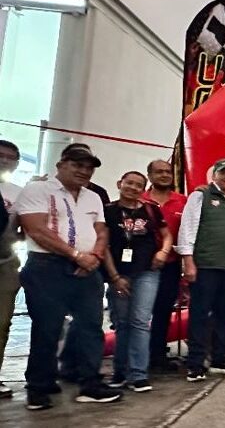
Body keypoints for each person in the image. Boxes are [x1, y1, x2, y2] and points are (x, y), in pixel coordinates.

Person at [16, 144, 123, 410]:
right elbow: (36, 229)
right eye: (77, 165)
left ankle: (90, 383)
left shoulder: (93, 196)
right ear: (61, 165)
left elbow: (101, 231)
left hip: (88, 268)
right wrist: (76, 255)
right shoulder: (37, 189)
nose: (84, 171)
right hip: (47, 267)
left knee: (91, 327)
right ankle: (39, 386)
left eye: (89, 167)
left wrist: (94, 257)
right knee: (47, 328)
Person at [177, 158, 225, 381]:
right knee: (200, 315)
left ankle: (219, 359)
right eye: (224, 173)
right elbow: (187, 229)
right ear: (215, 175)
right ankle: (196, 363)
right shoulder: (200, 196)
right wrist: (188, 260)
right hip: (206, 265)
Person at [101, 171, 172, 392]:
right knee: (122, 324)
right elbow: (103, 245)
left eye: (138, 185)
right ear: (119, 183)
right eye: (129, 183)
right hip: (119, 274)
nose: (133, 188)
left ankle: (139, 374)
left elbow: (167, 235)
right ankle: (120, 372)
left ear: (144, 189)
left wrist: (163, 252)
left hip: (147, 272)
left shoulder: (151, 209)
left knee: (140, 321)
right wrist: (114, 277)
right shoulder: (107, 211)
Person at [141, 159, 188, 372]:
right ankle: (137, 357)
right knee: (139, 313)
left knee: (163, 310)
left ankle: (157, 356)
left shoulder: (183, 201)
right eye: (159, 172)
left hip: (171, 265)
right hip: (141, 266)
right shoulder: (140, 200)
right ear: (150, 176)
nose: (164, 175)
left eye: (168, 172)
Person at [0, 139, 22, 398]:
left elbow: (24, 229)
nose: (4, 160)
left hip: (5, 263)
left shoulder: (19, 193)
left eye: (10, 157)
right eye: (1, 155)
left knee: (2, 322)